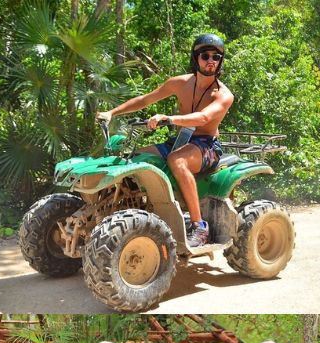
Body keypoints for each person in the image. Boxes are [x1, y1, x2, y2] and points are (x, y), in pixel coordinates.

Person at [97, 34, 234, 248]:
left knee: (177, 160)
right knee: (137, 158)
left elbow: (204, 117)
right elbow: (145, 99)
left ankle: (199, 226)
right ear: (196, 58)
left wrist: (169, 119)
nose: (211, 61)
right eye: (206, 55)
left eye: (216, 57)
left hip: (207, 145)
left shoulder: (223, 94)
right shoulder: (179, 83)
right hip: (181, 139)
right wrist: (111, 112)